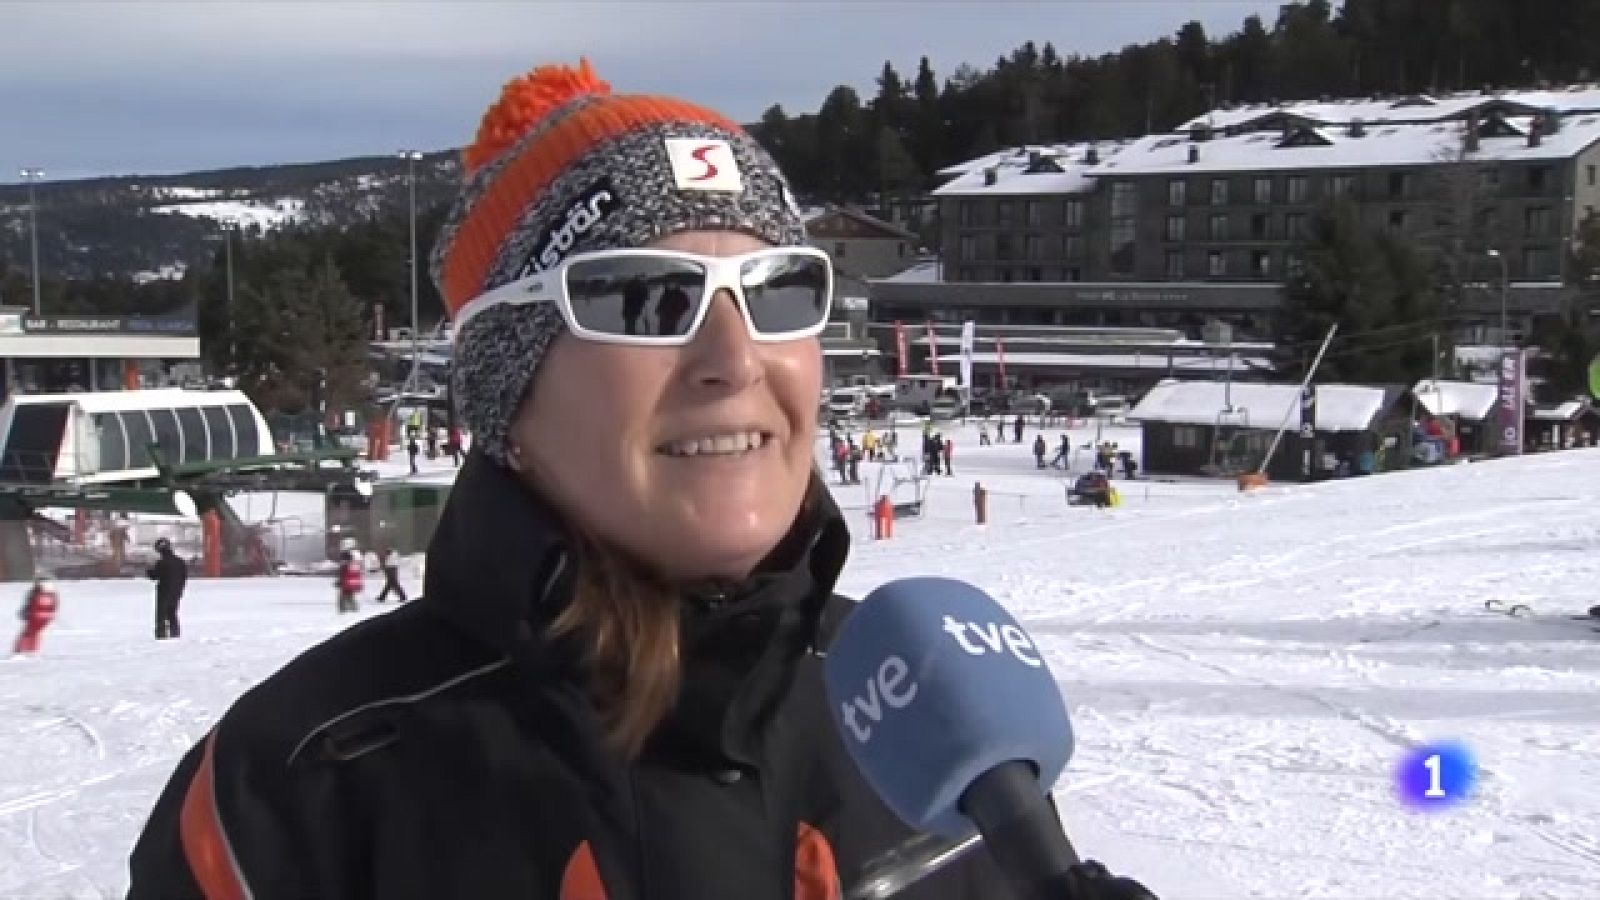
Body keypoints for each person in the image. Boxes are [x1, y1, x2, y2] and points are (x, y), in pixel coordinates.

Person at [128, 60, 1154, 900]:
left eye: (776, 288)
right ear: (508, 393)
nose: (734, 355)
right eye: (646, 300)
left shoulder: (925, 721)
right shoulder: (295, 793)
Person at [146, 537, 187, 640]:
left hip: (163, 591)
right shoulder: (180, 561)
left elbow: (154, 576)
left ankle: (161, 634)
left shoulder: (162, 562)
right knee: (172, 613)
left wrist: (149, 568)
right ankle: (175, 633)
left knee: (161, 614)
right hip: (177, 591)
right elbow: (184, 577)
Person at [12, 576, 58, 655]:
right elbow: (55, 605)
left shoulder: (35, 592)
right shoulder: (52, 594)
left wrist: (24, 612)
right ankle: (32, 649)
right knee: (37, 633)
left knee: (28, 633)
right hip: (46, 617)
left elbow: (29, 603)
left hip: (35, 616)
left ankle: (21, 650)